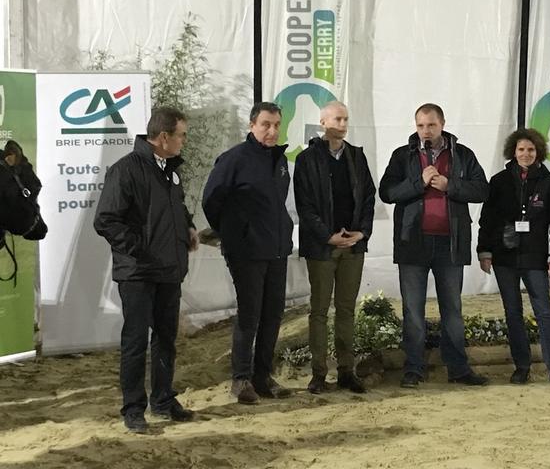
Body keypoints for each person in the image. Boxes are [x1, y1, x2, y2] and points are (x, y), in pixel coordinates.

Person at [94, 106, 199, 433]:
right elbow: (106, 220)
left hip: (169, 270)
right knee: (136, 340)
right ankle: (133, 408)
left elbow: (176, 207)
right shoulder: (126, 170)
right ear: (164, 137)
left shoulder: (170, 170)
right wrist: (142, 249)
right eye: (181, 135)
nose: (184, 141)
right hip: (138, 273)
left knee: (166, 337)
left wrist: (188, 229)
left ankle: (164, 400)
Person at [379, 103, 489, 388]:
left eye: (431, 125)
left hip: (449, 245)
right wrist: (419, 183)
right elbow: (387, 192)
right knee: (413, 311)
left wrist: (449, 185)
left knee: (451, 309)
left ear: (442, 124)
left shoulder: (462, 155)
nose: (425, 131)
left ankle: (458, 369)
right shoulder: (402, 156)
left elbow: (481, 190)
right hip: (412, 244)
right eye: (420, 125)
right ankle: (414, 369)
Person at [202, 101, 293, 404]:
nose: (272, 130)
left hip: (277, 249)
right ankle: (241, 379)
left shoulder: (279, 161)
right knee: (249, 314)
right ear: (252, 125)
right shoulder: (233, 159)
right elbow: (211, 201)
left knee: (273, 314)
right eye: (266, 124)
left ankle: (263, 376)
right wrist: (234, 233)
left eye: (277, 125)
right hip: (246, 251)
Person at [294, 101, 376, 394]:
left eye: (345, 119)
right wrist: (327, 236)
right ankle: (318, 374)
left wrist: (362, 232)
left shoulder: (356, 156)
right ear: (323, 121)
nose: (342, 124)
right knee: (318, 311)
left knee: (346, 310)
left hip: (353, 246)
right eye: (337, 119)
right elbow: (304, 205)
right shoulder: (307, 160)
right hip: (322, 248)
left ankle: (346, 372)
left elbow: (368, 197)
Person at [476, 128, 550, 385]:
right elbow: (487, 220)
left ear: (538, 152)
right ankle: (522, 366)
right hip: (505, 257)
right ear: (512, 152)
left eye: (530, 149)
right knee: (512, 312)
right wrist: (484, 251)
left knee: (544, 312)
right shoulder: (498, 181)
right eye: (521, 149)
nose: (525, 154)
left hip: (536, 257)